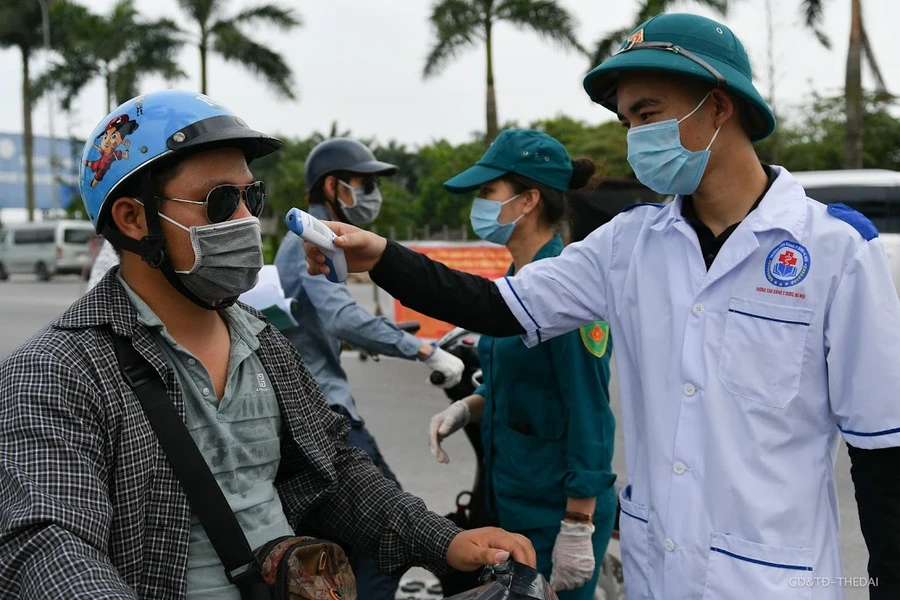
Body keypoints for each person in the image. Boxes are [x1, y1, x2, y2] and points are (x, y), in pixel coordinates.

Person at [304, 13, 900, 600]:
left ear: (720, 106)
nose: (636, 135)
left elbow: (883, 456)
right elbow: (495, 307)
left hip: (772, 582)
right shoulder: (629, 244)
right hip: (655, 576)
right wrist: (381, 255)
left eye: (649, 113)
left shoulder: (835, 252)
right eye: (626, 121)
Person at [0, 89, 535, 600]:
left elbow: (335, 472)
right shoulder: (56, 373)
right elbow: (50, 544)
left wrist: (443, 540)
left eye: (250, 197)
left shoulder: (263, 341)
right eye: (220, 201)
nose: (245, 220)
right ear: (133, 219)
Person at [426, 129, 618, 598]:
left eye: (488, 192)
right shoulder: (515, 285)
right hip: (513, 501)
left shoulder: (569, 294)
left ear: (528, 200)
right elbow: (514, 383)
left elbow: (589, 409)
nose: (480, 204)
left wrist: (577, 523)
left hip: (559, 513)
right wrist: (468, 408)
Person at [274, 137, 465, 599]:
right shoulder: (312, 240)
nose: (371, 192)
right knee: (391, 536)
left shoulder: (315, 239)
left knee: (351, 539)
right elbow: (341, 316)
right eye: (363, 182)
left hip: (310, 413)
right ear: (333, 186)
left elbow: (320, 320)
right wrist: (421, 350)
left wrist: (388, 332)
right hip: (325, 416)